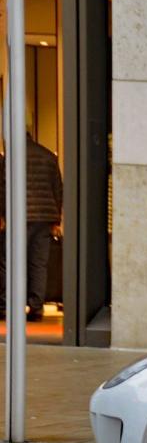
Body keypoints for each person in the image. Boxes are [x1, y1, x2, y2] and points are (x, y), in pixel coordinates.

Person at [0, 132, 64, 321]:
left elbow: (3, 187)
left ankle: (6, 305)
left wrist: (2, 215)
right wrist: (56, 219)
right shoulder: (49, 156)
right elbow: (58, 189)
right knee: (39, 263)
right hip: (44, 217)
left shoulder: (11, 157)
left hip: (18, 216)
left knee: (8, 261)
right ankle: (36, 307)